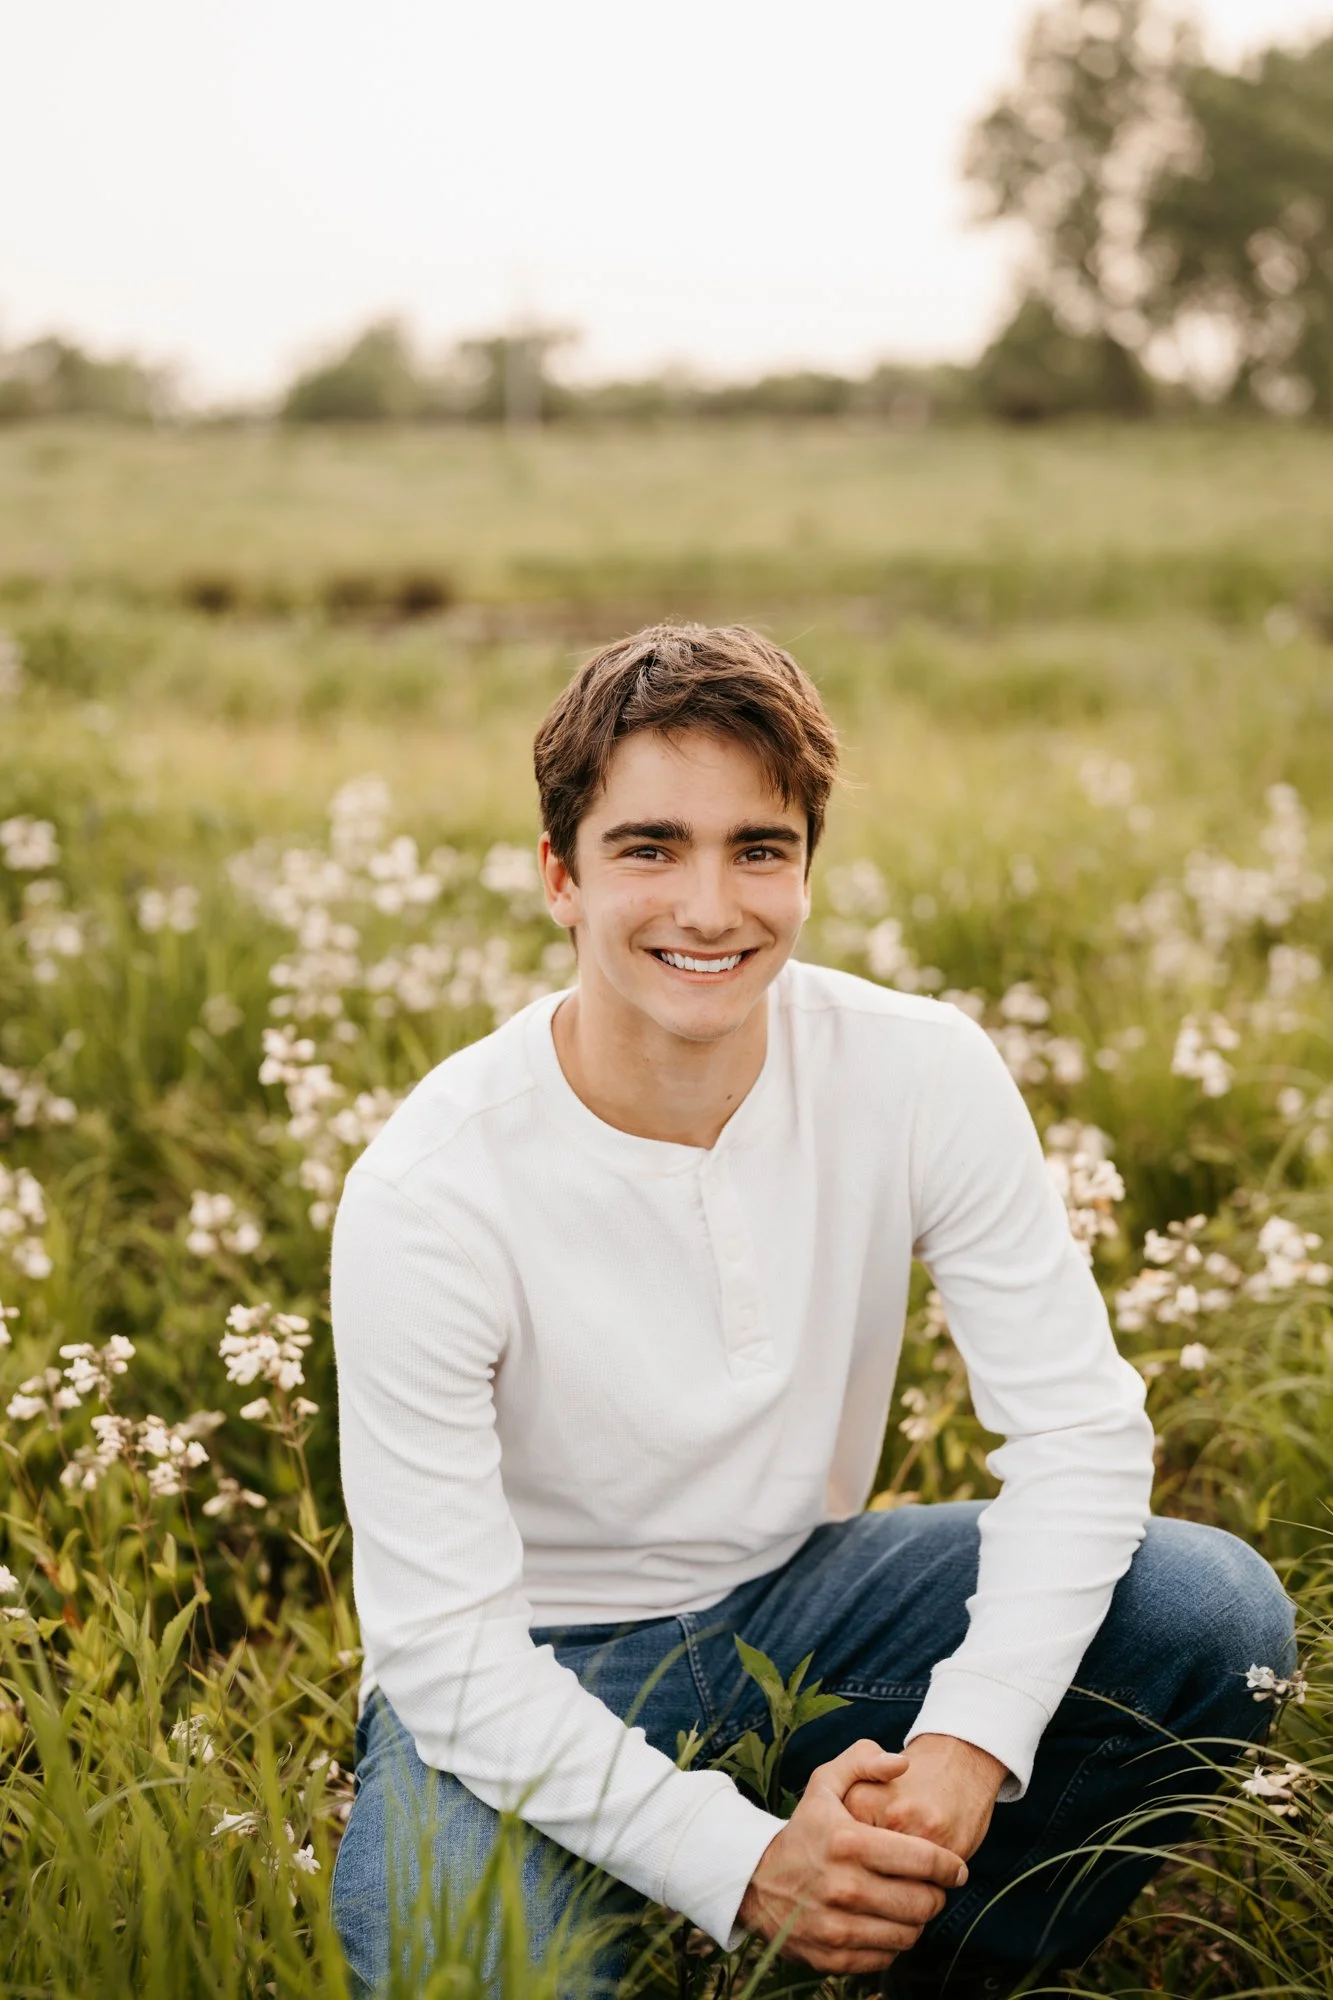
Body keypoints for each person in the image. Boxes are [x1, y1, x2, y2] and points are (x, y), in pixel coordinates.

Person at [329, 623, 1296, 1999]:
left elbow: (1079, 1439)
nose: (710, 908)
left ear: (805, 867)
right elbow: (445, 1650)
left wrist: (970, 1746)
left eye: (759, 849)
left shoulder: (918, 1072)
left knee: (1206, 1612)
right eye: (651, 848)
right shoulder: (432, 1186)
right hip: (523, 1665)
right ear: (561, 877)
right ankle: (736, 1883)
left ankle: (908, 1942)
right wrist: (737, 1862)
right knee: (477, 1976)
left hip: (806, 1601)